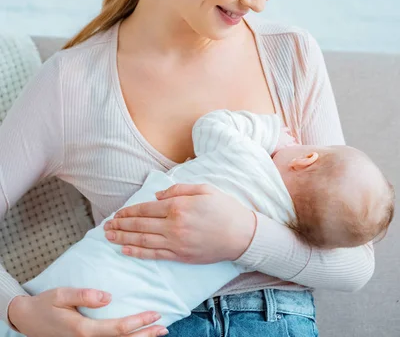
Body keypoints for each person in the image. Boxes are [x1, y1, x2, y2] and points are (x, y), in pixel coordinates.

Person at [0, 0, 377, 337]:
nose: (260, 0)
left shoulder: (291, 54)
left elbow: (356, 265)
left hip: (274, 319)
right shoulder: (74, 83)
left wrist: (244, 238)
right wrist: (18, 313)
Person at [4, 110, 393, 337]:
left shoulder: (245, 156)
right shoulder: (288, 229)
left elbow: (211, 125)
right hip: (145, 317)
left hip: (83, 283)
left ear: (306, 158)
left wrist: (272, 131)